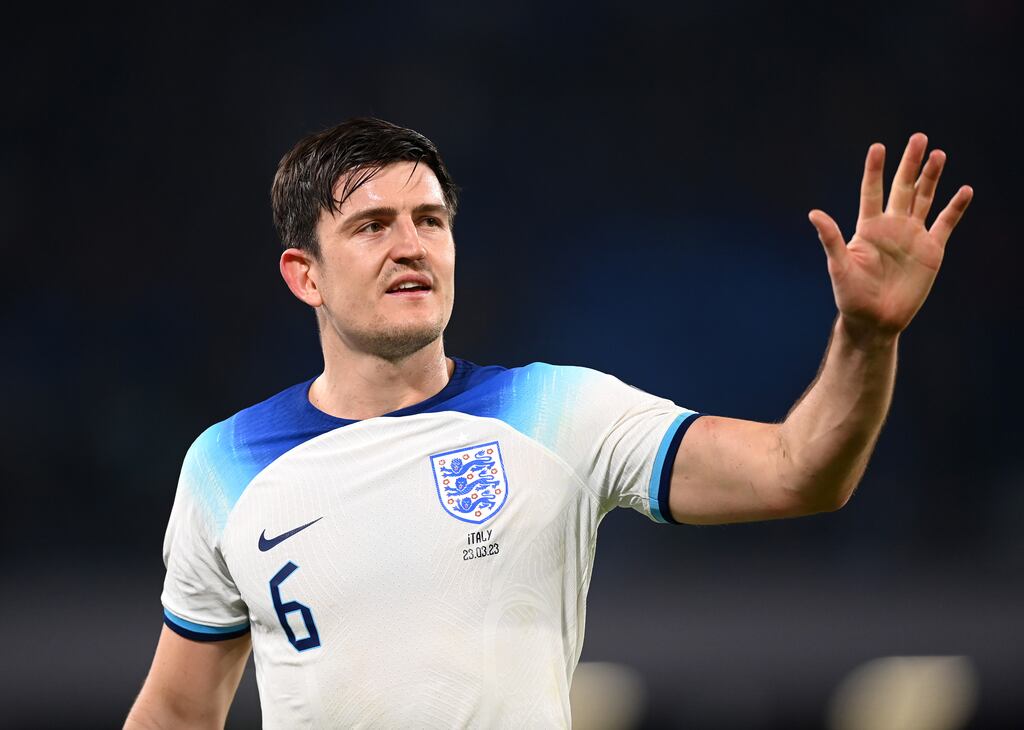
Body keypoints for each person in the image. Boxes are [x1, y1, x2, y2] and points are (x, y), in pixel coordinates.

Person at [124, 118, 972, 728]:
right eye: (372, 227)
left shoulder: (563, 414)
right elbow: (177, 709)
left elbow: (800, 471)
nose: (410, 245)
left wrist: (868, 335)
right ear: (304, 275)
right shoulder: (224, 467)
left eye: (429, 222)